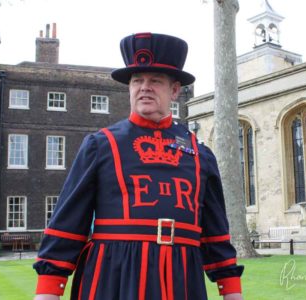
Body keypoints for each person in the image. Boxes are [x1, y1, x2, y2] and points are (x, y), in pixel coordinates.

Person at [33, 32, 244, 300]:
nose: (144, 87)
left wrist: (231, 292)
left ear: (175, 91)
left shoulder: (201, 155)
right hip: (113, 279)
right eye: (137, 81)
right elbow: (68, 222)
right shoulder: (100, 145)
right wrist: (48, 292)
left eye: (155, 81)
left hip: (183, 281)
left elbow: (216, 233)